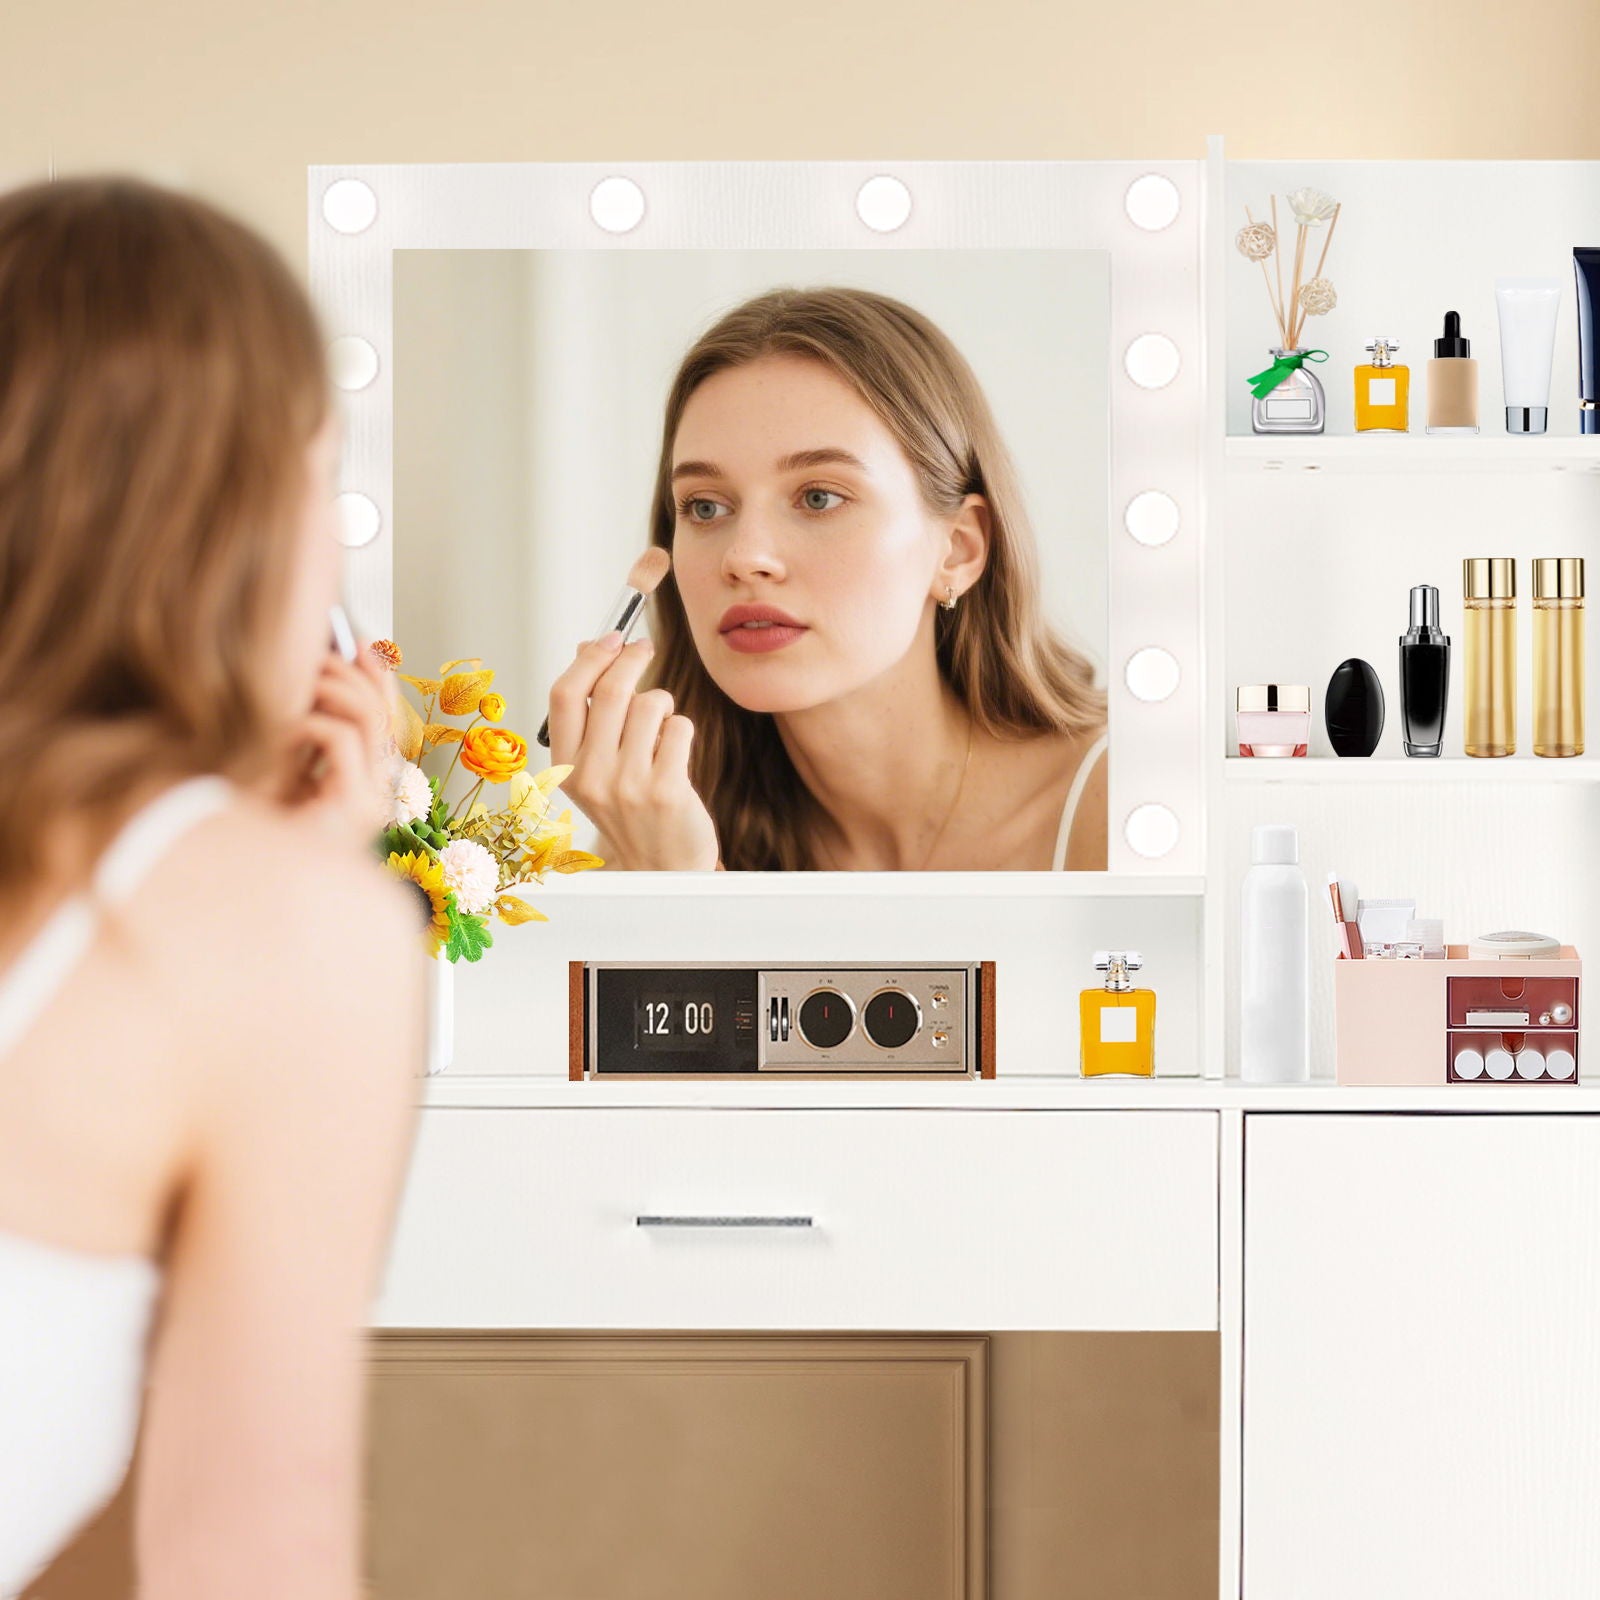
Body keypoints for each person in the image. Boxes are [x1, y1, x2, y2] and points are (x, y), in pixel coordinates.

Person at [0, 176, 429, 1598]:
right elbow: (251, 1562)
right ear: (249, 507)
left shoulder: (251, 921)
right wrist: (304, 908)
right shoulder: (277, 942)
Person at [549, 285, 1108, 872]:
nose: (745, 557)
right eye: (706, 507)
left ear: (958, 551)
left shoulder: (1124, 807)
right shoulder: (659, 835)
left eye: (819, 497)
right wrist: (680, 889)